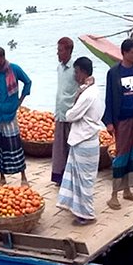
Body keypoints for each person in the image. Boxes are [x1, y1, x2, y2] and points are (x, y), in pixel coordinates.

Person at [56, 57, 104, 225]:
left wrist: (77, 96)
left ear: (83, 72)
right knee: (80, 178)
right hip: (86, 139)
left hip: (85, 141)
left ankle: (87, 214)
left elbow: (71, 115)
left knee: (84, 180)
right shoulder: (93, 90)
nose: (75, 75)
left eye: (76, 72)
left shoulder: (87, 95)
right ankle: (79, 210)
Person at [104, 39, 133, 210]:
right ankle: (114, 195)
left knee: (132, 154)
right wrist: (109, 122)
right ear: (124, 53)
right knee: (121, 155)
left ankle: (127, 190)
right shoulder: (114, 72)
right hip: (121, 120)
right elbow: (109, 98)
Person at [0, 46, 32, 186]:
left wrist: (20, 100)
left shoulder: (14, 70)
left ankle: (23, 177)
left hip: (10, 115)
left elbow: (28, 82)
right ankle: (2, 177)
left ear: (3, 58)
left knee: (14, 145)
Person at [52, 37, 77, 185]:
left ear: (68, 51)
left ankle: (71, 177)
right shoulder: (60, 68)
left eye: (60, 50)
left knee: (70, 147)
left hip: (70, 113)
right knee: (60, 148)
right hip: (60, 113)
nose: (58, 53)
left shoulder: (75, 68)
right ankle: (60, 176)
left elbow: (84, 83)